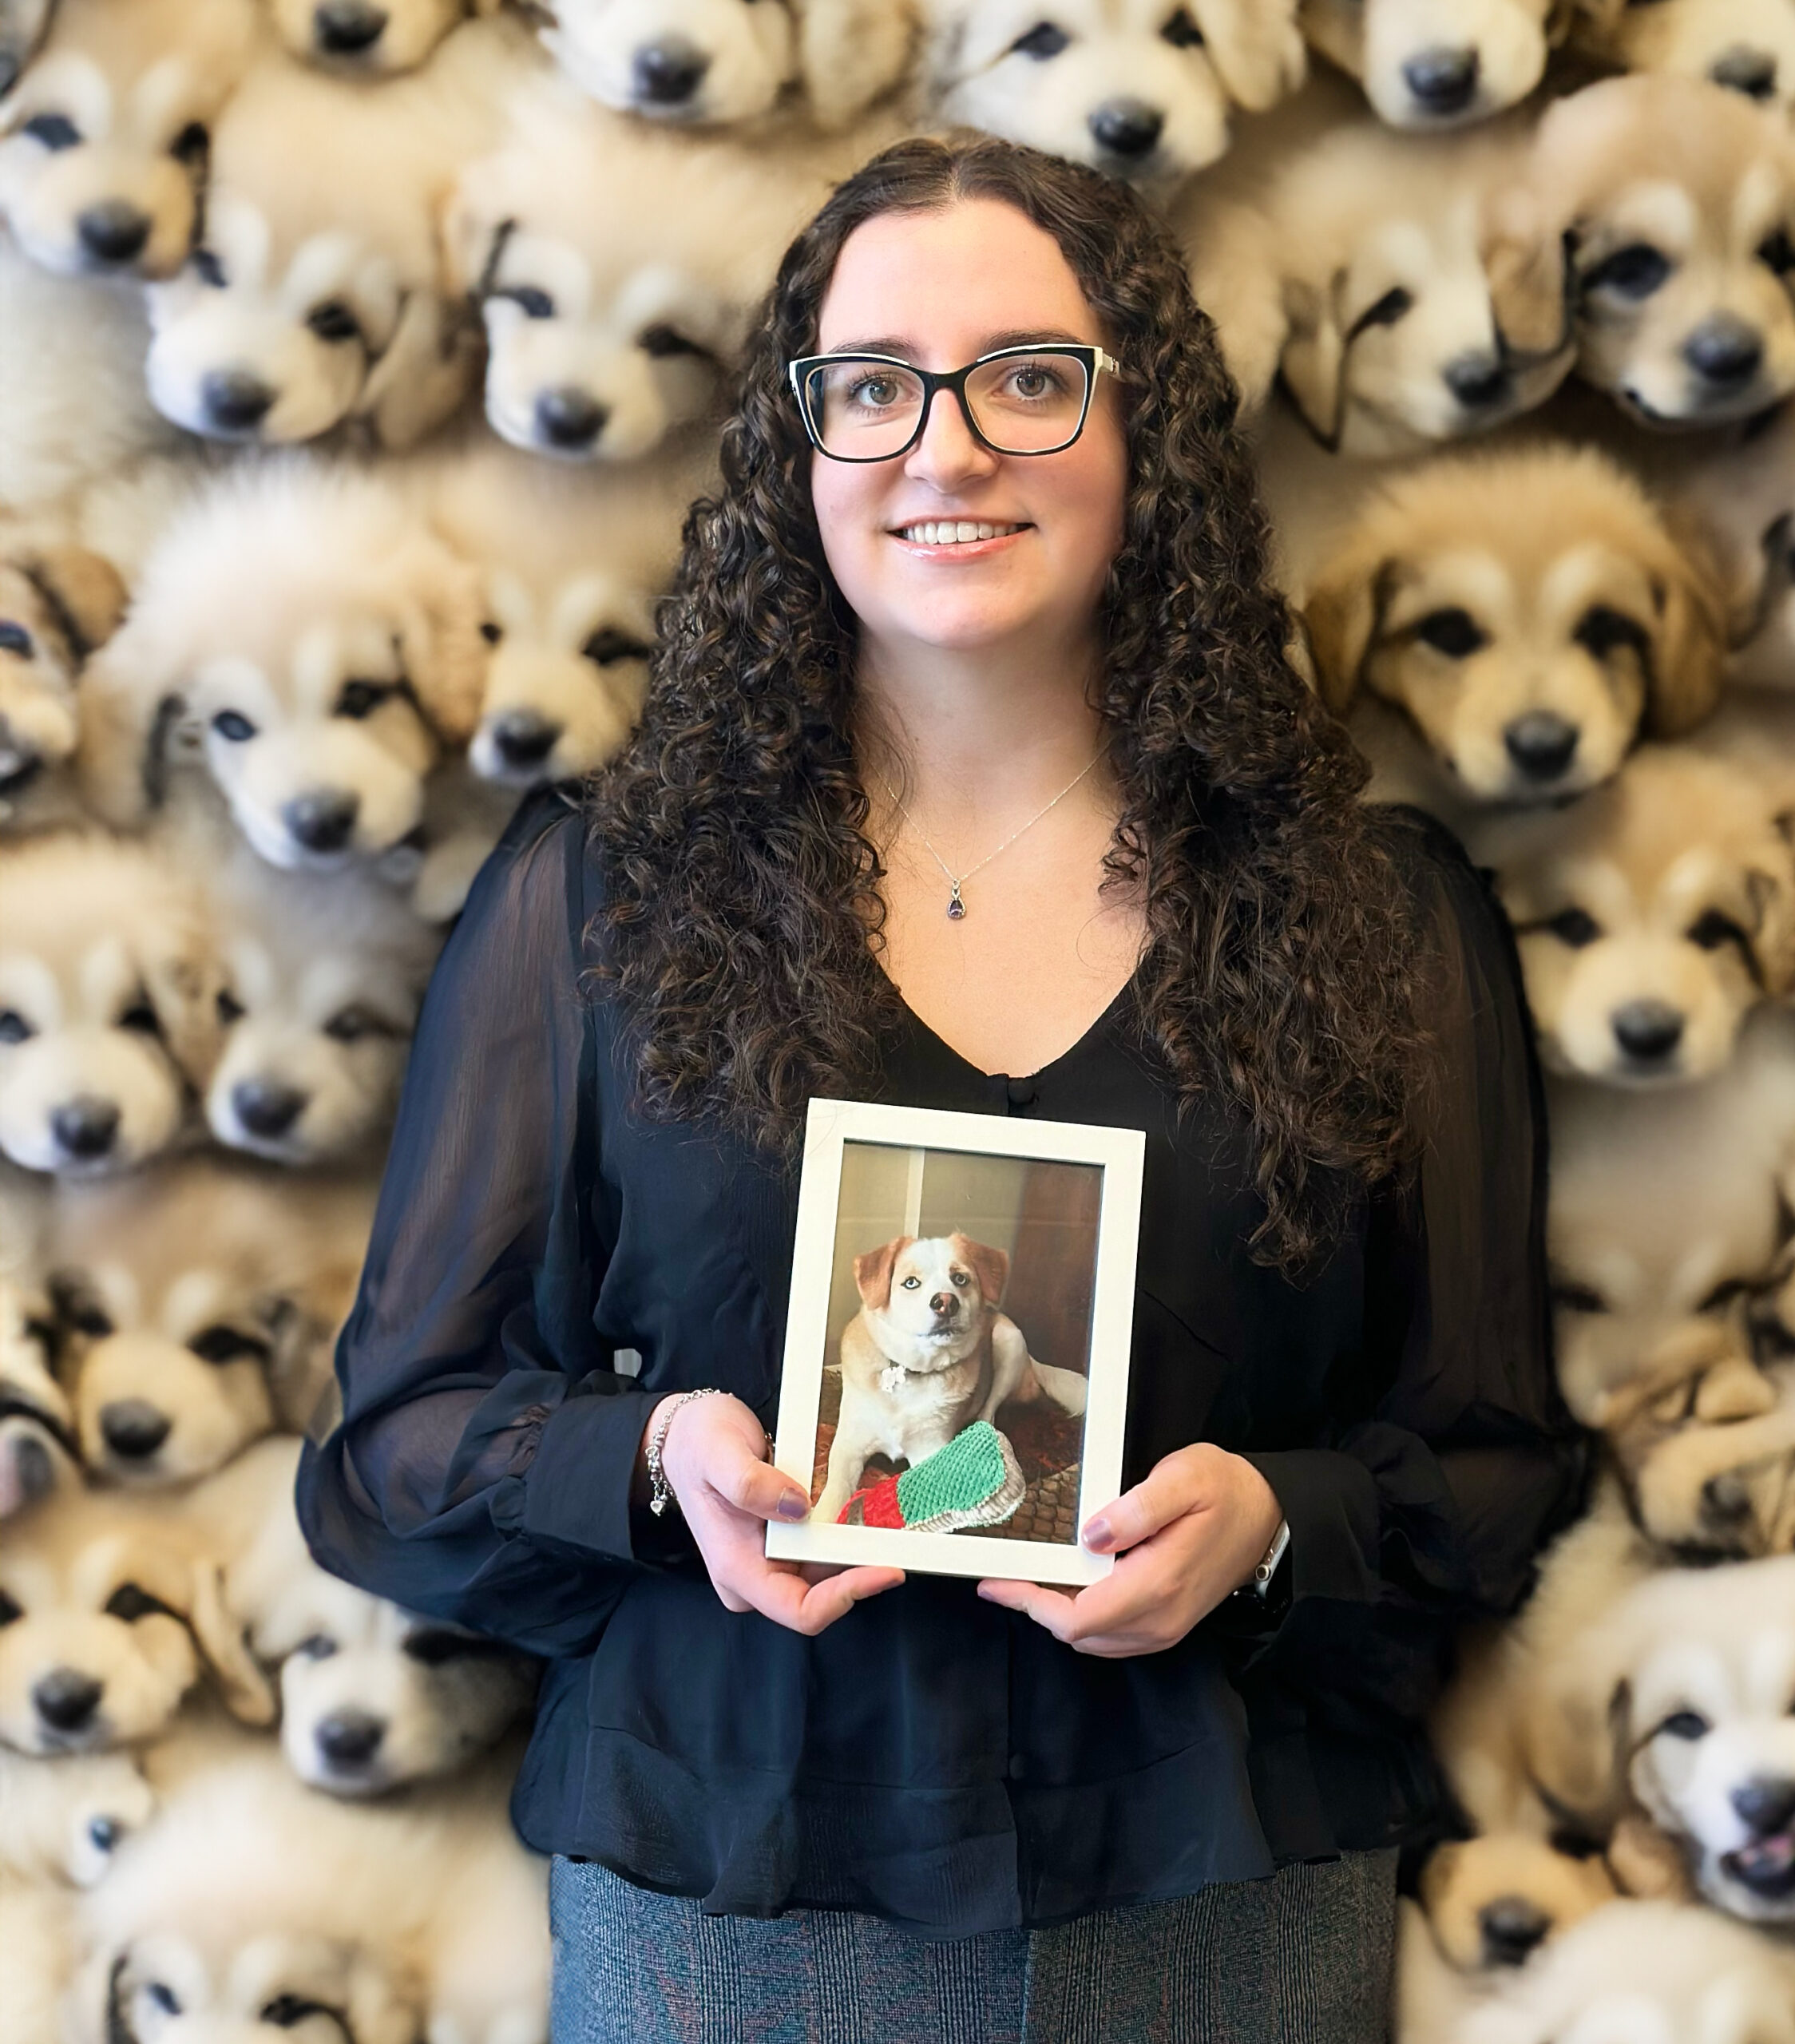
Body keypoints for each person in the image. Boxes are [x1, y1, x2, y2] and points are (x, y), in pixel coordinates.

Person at [299, 134, 1584, 2043]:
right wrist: (658, 1468)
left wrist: (1275, 1520)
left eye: (1029, 378)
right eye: (876, 384)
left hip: (1215, 1904)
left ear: (1142, 437)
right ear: (798, 443)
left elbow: (1493, 1463)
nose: (946, 446)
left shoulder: (1372, 919)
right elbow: (392, 1443)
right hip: (729, 1898)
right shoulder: (600, 898)